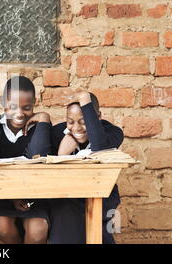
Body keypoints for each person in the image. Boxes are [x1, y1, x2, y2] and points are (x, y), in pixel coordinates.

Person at [48, 91, 123, 244]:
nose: (76, 128)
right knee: (65, 216)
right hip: (67, 194)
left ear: (98, 117)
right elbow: (49, 175)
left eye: (83, 121)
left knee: (96, 221)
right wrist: (62, 154)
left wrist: (85, 100)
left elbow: (99, 146)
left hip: (101, 193)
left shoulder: (112, 132)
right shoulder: (57, 134)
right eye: (70, 122)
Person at [0, 76, 52, 244]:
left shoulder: (40, 128)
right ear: (2, 101)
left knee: (38, 230)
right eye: (12, 106)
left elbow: (38, 157)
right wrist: (12, 197)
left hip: (33, 196)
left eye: (27, 107)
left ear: (35, 103)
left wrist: (44, 119)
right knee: (2, 226)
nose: (20, 113)